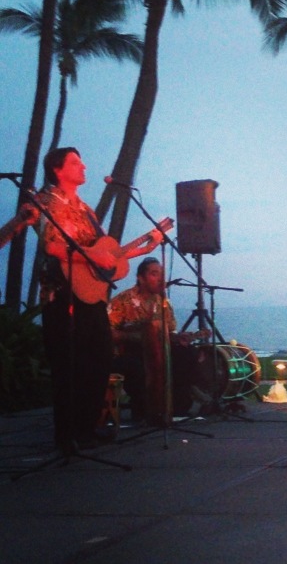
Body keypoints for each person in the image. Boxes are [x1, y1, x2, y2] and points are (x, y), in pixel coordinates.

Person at [39, 147, 161, 451]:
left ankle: (86, 428)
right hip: (62, 293)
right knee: (69, 366)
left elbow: (107, 256)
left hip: (91, 295)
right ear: (57, 169)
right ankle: (65, 436)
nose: (83, 167)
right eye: (75, 163)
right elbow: (52, 247)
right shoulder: (45, 201)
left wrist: (143, 249)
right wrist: (91, 255)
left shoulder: (87, 211)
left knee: (101, 358)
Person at [108, 256, 206, 422]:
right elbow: (107, 331)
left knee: (187, 354)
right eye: (154, 274)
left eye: (161, 274)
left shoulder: (163, 303)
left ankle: (177, 407)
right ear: (141, 278)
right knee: (137, 367)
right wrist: (137, 337)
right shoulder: (122, 301)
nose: (160, 278)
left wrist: (179, 338)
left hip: (158, 350)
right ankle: (143, 410)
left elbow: (168, 332)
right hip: (129, 351)